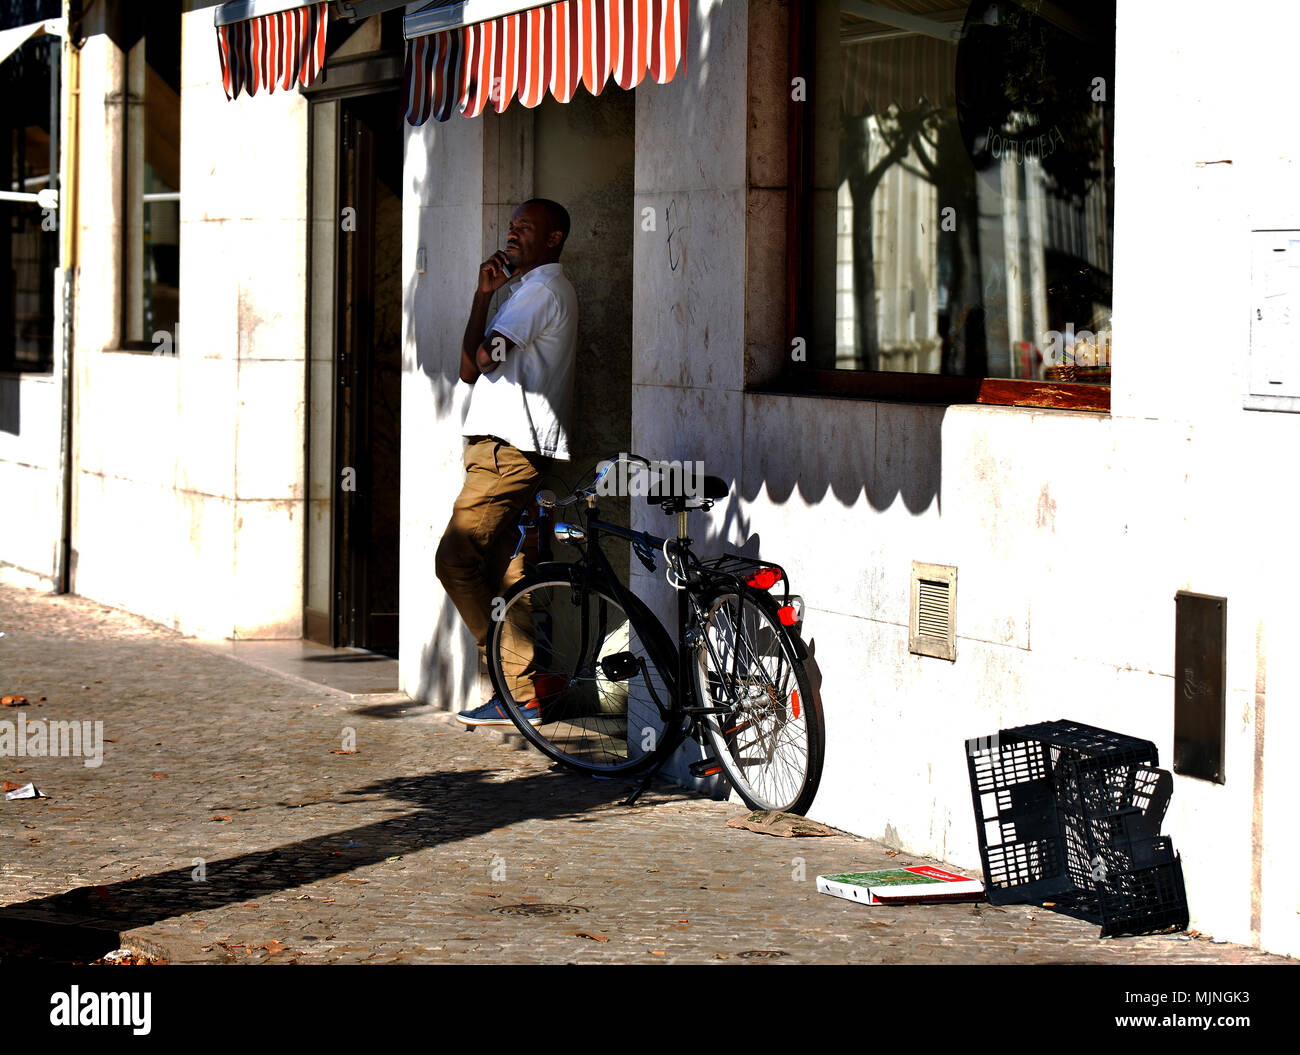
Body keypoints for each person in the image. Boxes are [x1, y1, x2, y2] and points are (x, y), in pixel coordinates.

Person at [435, 199, 577, 727]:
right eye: (512, 226)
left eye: (526, 228)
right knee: (506, 574)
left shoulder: (541, 290)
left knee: (455, 559)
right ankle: (524, 695)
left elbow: (479, 360)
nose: (513, 234)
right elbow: (470, 370)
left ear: (554, 238)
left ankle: (511, 678)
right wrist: (482, 295)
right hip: (503, 449)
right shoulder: (524, 292)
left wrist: (484, 300)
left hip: (506, 453)